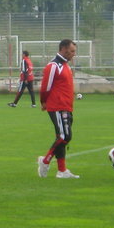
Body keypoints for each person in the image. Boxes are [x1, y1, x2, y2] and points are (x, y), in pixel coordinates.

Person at [37, 39, 79, 179]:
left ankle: (62, 171)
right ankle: (45, 160)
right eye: (72, 51)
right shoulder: (54, 65)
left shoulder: (66, 66)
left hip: (66, 106)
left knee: (61, 137)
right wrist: (43, 101)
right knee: (65, 136)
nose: (74, 54)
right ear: (63, 49)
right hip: (57, 106)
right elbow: (46, 87)